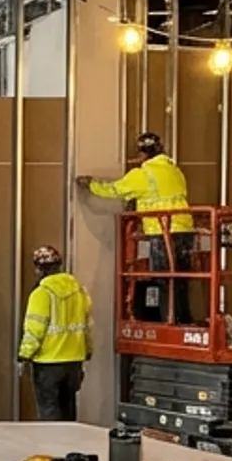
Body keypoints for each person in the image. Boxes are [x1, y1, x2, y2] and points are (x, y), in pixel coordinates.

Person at [79, 130, 194, 323]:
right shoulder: (174, 170)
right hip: (185, 229)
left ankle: (169, 320)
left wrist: (90, 185)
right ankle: (184, 319)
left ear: (142, 153)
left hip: (162, 231)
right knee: (181, 279)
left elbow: (114, 190)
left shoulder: (142, 174)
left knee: (164, 279)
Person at [17, 244, 93, 423]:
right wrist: (87, 351)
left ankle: (52, 448)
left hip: (48, 363)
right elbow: (88, 326)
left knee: (49, 411)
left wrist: (24, 356)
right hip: (74, 361)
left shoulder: (41, 294)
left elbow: (34, 330)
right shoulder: (79, 291)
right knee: (68, 409)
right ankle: (69, 448)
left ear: (38, 269)